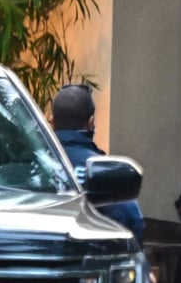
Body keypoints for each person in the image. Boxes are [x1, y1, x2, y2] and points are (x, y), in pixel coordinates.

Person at [51, 84, 145, 242]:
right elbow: (131, 219)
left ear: (52, 123)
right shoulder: (101, 170)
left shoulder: (30, 165)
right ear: (90, 123)